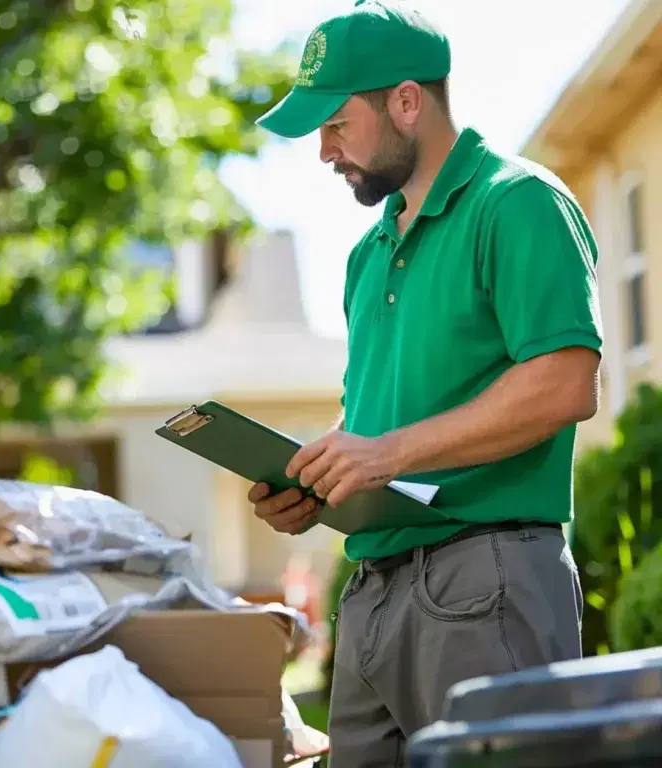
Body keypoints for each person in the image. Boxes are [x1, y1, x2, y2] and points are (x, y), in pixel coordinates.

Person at [249, 2, 602, 766]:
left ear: (407, 101)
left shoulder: (517, 204)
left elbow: (566, 382)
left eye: (336, 124)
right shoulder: (366, 257)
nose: (323, 151)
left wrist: (382, 454)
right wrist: (320, 490)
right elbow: (380, 423)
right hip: (374, 593)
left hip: (489, 581)